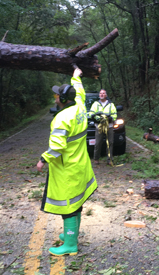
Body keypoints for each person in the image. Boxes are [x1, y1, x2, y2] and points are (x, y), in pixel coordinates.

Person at [36, 68, 98, 256]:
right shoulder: (80, 107)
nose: (55, 98)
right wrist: (76, 76)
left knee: (68, 207)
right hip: (80, 165)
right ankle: (71, 235)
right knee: (77, 202)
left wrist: (42, 160)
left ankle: (70, 245)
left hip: (67, 169)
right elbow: (80, 92)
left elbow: (56, 148)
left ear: (63, 100)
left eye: (56, 96)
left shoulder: (61, 119)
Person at [89, 89, 117, 165]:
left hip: (109, 126)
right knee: (98, 143)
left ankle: (109, 160)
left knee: (110, 143)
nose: (101, 94)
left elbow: (114, 114)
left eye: (103, 93)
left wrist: (110, 118)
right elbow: (91, 113)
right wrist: (95, 117)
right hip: (99, 126)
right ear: (99, 95)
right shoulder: (95, 104)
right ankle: (96, 159)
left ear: (106, 95)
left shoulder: (111, 104)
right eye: (100, 93)